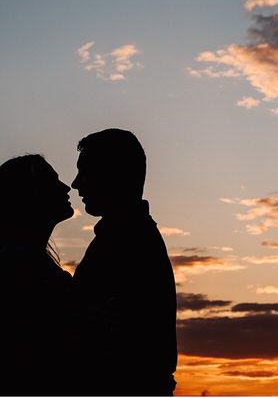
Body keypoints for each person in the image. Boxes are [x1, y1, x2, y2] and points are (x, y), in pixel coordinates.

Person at [70, 129, 178, 396]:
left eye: (85, 172)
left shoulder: (127, 242)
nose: (76, 184)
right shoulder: (125, 236)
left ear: (112, 175)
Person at [0, 154, 75, 395]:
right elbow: (35, 344)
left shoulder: (24, 260)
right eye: (53, 181)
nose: (66, 187)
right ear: (31, 195)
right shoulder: (13, 263)